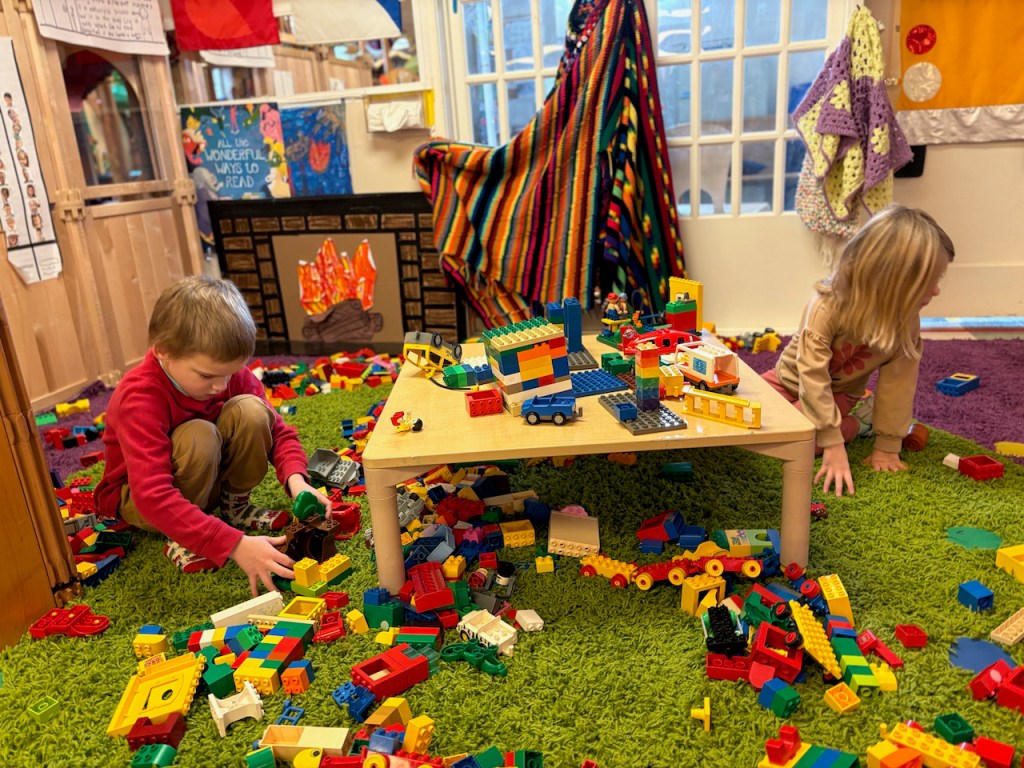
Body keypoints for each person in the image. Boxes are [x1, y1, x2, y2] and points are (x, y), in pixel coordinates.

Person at [94, 275, 332, 594]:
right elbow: (152, 495)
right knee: (198, 435)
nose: (220, 386)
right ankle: (183, 535)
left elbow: (278, 431)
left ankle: (235, 506)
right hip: (141, 499)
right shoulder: (139, 397)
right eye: (207, 375)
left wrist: (297, 481)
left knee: (252, 409)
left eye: (229, 373)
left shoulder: (225, 374)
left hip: (208, 476)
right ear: (163, 351)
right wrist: (234, 545)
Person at [762, 204, 954, 498]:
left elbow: (899, 384)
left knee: (793, 442)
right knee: (744, 423)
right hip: (788, 379)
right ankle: (851, 422)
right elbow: (812, 376)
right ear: (891, 280)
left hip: (840, 393)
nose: (937, 291)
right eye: (929, 281)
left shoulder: (906, 322)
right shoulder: (826, 305)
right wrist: (832, 441)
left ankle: (861, 423)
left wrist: (887, 446)